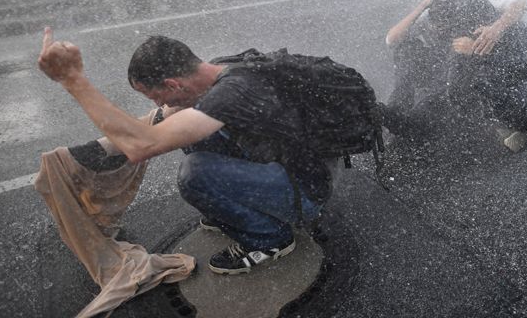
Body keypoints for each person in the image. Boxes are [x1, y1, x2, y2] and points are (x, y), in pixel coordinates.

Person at [37, 29, 337, 275]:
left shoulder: (233, 93)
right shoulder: (216, 73)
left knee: (195, 174)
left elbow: (142, 145)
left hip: (307, 190)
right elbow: (156, 123)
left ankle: (271, 239)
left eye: (155, 95)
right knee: (183, 129)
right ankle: (240, 209)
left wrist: (72, 79)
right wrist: (83, 155)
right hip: (289, 165)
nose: (156, 103)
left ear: (172, 83)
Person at [427, 0, 527, 151]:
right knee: (471, 73)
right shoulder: (476, 34)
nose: (473, 32)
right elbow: (454, 89)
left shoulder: (514, 32)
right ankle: (508, 123)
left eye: (474, 27)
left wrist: (475, 54)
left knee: (485, 75)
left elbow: (520, 71)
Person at [385, 0, 527, 115]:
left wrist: (496, 28)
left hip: (469, 65)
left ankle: (474, 106)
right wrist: (422, 6)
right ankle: (398, 106)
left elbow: (522, 4)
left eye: (443, 25)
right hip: (440, 67)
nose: (436, 29)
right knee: (405, 48)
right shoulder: (428, 17)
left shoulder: (470, 10)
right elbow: (391, 40)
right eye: (434, 23)